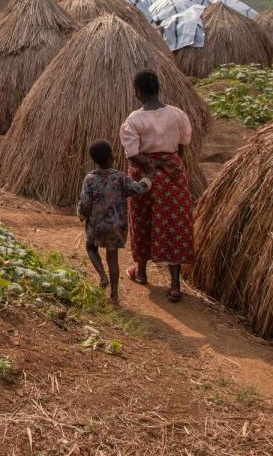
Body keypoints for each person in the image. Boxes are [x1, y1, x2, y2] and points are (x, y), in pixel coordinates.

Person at [120, 70, 195, 302]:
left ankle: (141, 272)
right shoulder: (177, 114)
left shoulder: (134, 120)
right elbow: (184, 143)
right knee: (174, 223)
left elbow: (132, 154)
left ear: (138, 92)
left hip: (146, 176)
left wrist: (154, 164)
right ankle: (174, 285)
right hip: (173, 173)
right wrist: (167, 161)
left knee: (142, 219)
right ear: (158, 89)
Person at [78, 139, 152, 304]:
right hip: (116, 227)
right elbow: (139, 189)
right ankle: (114, 294)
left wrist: (82, 215)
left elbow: (84, 202)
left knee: (91, 248)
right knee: (113, 258)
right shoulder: (120, 178)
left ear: (94, 160)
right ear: (113, 157)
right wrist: (148, 179)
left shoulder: (89, 179)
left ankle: (102, 276)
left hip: (96, 226)